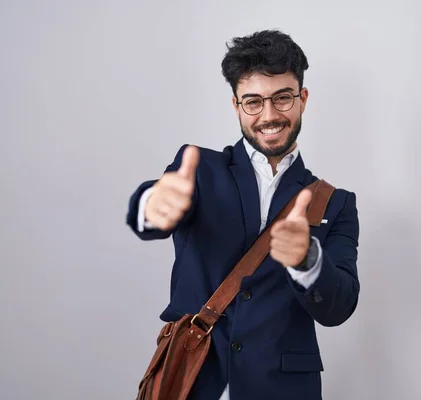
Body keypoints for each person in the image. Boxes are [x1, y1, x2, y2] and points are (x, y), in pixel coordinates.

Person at [126, 29, 360, 400]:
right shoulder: (199, 169)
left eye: (282, 98)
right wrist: (151, 205)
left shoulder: (336, 203)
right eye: (253, 101)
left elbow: (339, 307)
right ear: (236, 105)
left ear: (303, 99)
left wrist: (308, 260)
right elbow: (154, 211)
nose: (269, 115)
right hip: (191, 380)